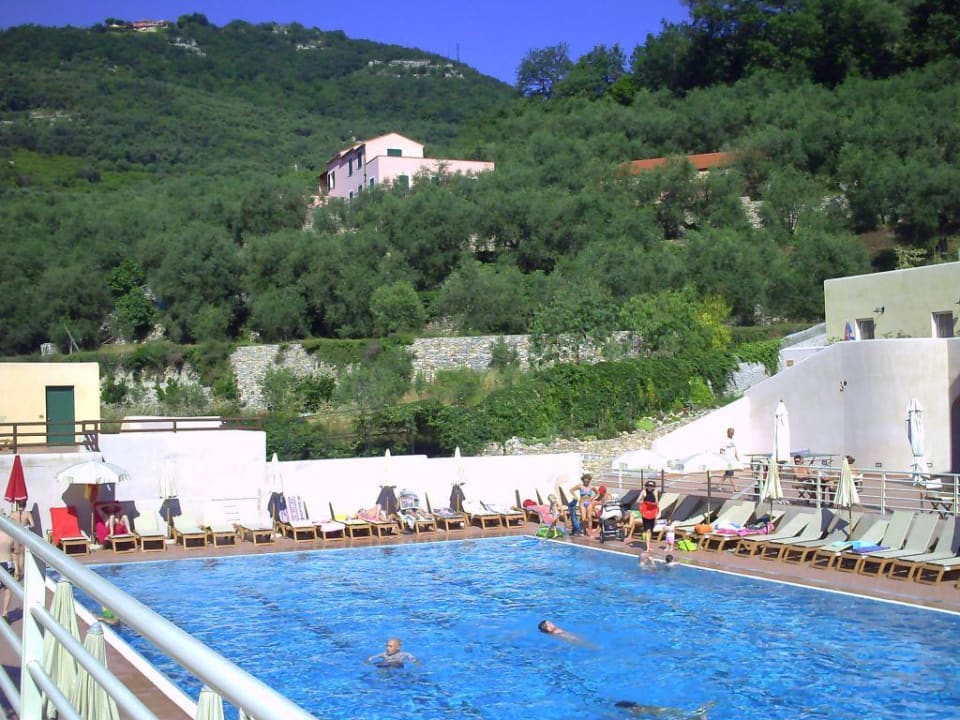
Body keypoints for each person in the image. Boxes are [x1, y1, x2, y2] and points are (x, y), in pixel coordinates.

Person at [9, 499, 33, 581]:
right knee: (22, 555)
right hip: (23, 535)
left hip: (15, 535)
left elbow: (8, 524)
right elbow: (33, 525)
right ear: (25, 505)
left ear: (17, 505)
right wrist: (26, 526)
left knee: (14, 554)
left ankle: (16, 570)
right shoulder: (27, 513)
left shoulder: (13, 514)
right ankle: (20, 570)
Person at [720, 427, 740, 492]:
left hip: (732, 460)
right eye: (731, 432)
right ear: (728, 432)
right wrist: (723, 460)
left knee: (727, 474)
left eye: (733, 432)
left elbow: (735, 449)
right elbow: (722, 450)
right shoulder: (724, 440)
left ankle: (719, 485)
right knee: (730, 474)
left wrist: (737, 458)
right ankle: (735, 487)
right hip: (727, 461)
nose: (732, 433)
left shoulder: (733, 440)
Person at [0, 528, 13, 620]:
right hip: (8, 562)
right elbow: (15, 551)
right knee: (8, 588)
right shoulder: (9, 534)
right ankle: (5, 612)